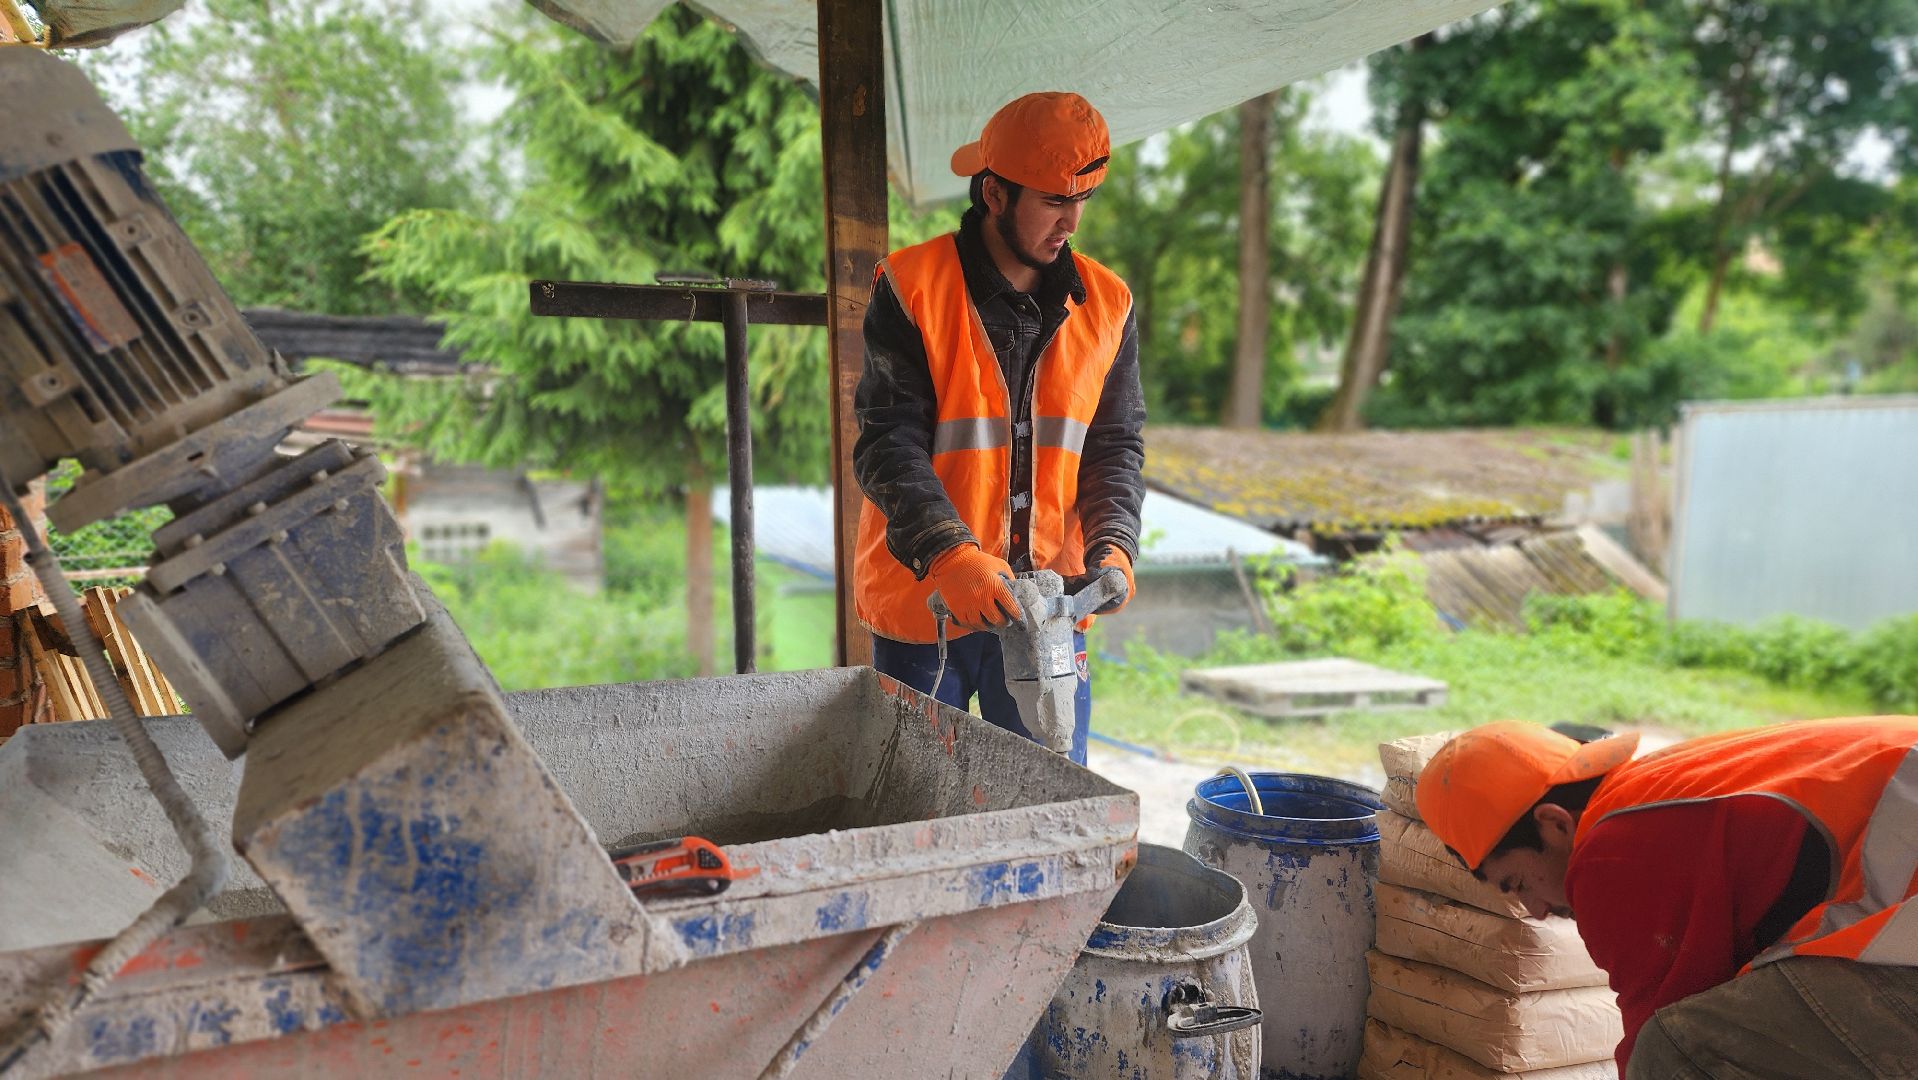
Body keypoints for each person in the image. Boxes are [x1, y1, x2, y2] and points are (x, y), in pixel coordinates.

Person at [852, 91, 1144, 766]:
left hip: (1051, 612)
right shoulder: (912, 285)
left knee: (1048, 808)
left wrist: (1115, 542)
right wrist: (950, 553)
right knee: (915, 807)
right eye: (1051, 201)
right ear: (994, 193)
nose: (1071, 221)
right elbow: (886, 442)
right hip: (926, 608)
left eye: (1082, 201)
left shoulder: (1110, 303)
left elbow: (1115, 444)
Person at [1416, 718, 1918, 1078]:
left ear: (1553, 822)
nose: (1538, 911)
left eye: (1518, 884)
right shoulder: (1654, 786)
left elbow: (1658, 1028)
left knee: (1679, 1049)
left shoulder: (1611, 854)